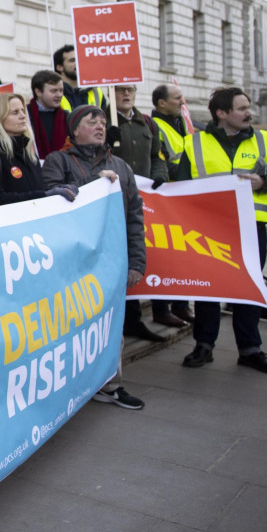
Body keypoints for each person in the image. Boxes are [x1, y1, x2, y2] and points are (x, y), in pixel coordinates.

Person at [176, 87, 267, 376]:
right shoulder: (194, 143)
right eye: (242, 108)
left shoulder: (263, 139)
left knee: (249, 287)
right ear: (222, 113)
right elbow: (180, 184)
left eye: (248, 106)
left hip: (251, 226)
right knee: (208, 289)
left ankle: (250, 350)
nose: (249, 112)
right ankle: (204, 345)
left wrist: (263, 182)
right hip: (210, 229)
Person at [43, 105, 146, 411]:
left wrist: (137, 261)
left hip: (110, 260)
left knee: (110, 324)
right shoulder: (57, 161)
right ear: (74, 130)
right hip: (72, 264)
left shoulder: (122, 166)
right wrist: (95, 187)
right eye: (92, 122)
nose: (101, 126)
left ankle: (110, 384)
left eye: (103, 121)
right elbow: (50, 200)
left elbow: (134, 216)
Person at [108, 85, 171, 343]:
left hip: (144, 201)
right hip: (117, 202)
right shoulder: (105, 120)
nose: (126, 94)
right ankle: (127, 319)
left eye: (130, 90)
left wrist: (160, 173)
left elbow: (158, 155)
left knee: (140, 253)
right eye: (121, 90)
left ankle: (139, 318)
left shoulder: (147, 123)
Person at [0, 92, 76, 208]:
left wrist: (58, 190)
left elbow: (37, 190)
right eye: (15, 112)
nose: (23, 116)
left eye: (23, 111)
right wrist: (44, 195)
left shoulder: (29, 153)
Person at [148, 83, 196, 326]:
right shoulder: (156, 125)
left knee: (183, 254)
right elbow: (163, 161)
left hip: (183, 195)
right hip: (168, 195)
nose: (182, 102)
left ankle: (181, 305)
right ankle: (162, 308)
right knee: (166, 254)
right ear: (161, 103)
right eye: (177, 98)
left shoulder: (181, 123)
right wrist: (191, 174)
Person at [27, 69, 69, 158]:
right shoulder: (25, 114)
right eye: (54, 91)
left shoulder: (67, 117)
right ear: (38, 92)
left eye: (61, 90)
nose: (59, 95)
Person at [52, 44, 106, 112]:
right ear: (59, 67)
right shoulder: (53, 93)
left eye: (79, 59)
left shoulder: (96, 91)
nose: (77, 63)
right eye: (72, 60)